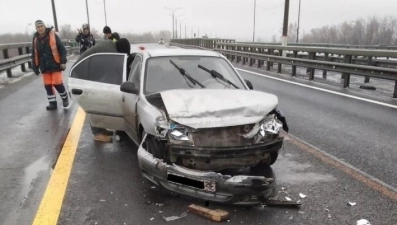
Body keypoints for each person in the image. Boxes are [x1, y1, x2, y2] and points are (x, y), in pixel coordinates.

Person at [73, 38, 132, 142]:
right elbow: (114, 71)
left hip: (88, 70)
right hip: (83, 73)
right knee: (97, 102)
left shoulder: (111, 45)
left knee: (99, 99)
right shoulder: (111, 53)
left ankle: (100, 128)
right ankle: (97, 134)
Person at [32, 20, 69, 110]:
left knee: (57, 83)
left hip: (55, 64)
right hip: (44, 66)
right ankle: (52, 103)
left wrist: (63, 62)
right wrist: (35, 66)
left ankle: (65, 97)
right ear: (36, 29)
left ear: (44, 26)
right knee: (48, 85)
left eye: (41, 26)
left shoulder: (53, 35)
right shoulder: (35, 39)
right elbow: (34, 53)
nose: (40, 28)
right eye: (38, 27)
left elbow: (62, 49)